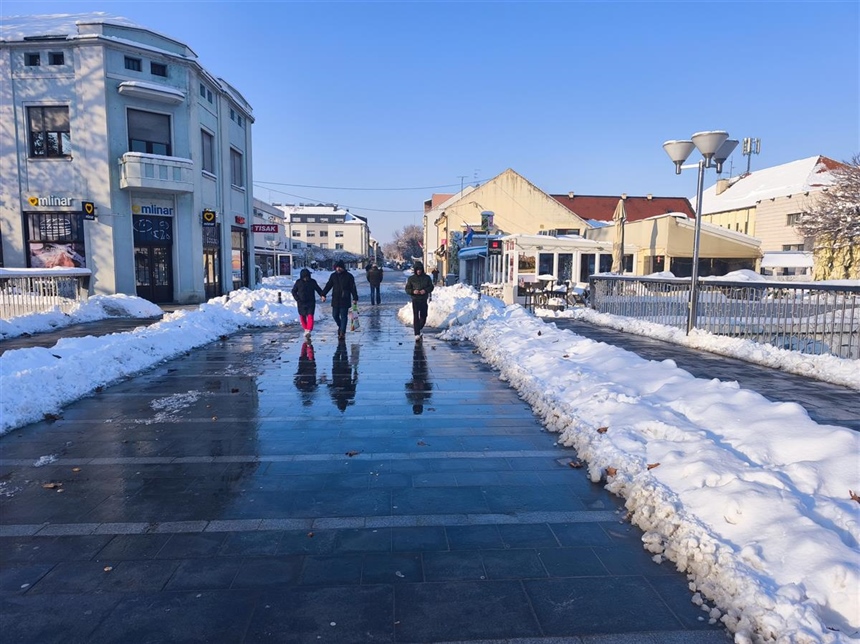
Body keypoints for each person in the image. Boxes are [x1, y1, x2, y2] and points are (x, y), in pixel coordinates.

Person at [321, 260, 358, 340]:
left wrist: (355, 298)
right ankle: (341, 326)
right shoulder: (333, 276)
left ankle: (342, 332)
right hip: (335, 299)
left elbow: (353, 288)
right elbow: (329, 285)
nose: (338, 269)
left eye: (339, 267)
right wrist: (323, 294)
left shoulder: (349, 276)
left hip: (345, 299)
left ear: (342, 268)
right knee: (335, 315)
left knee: (344, 316)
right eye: (336, 267)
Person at [291, 268, 325, 340]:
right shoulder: (298, 282)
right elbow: (293, 291)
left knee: (310, 316)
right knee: (302, 317)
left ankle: (309, 330)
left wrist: (322, 295)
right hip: (301, 302)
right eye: (304, 277)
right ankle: (306, 329)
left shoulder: (312, 282)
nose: (306, 278)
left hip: (311, 302)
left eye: (307, 277)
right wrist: (297, 299)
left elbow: (318, 289)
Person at [405, 261, 434, 341]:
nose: (419, 271)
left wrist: (425, 290)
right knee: (416, 316)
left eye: (420, 269)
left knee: (424, 316)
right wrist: (413, 291)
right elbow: (407, 289)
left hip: (424, 299)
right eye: (417, 270)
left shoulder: (427, 278)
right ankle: (416, 333)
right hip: (415, 299)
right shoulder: (411, 279)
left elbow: (431, 287)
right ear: (415, 270)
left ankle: (419, 327)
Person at [405, 341, 432, 414]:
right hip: (418, 378)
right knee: (417, 362)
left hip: (419, 378)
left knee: (419, 362)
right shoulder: (412, 398)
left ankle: (419, 351)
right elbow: (408, 388)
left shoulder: (423, 397)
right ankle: (418, 351)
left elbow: (408, 388)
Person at [294, 341, 318, 407]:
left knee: (310, 357)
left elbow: (315, 384)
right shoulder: (300, 388)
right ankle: (305, 344)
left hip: (310, 371)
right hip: (302, 371)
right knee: (303, 355)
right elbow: (296, 382)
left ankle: (308, 345)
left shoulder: (311, 390)